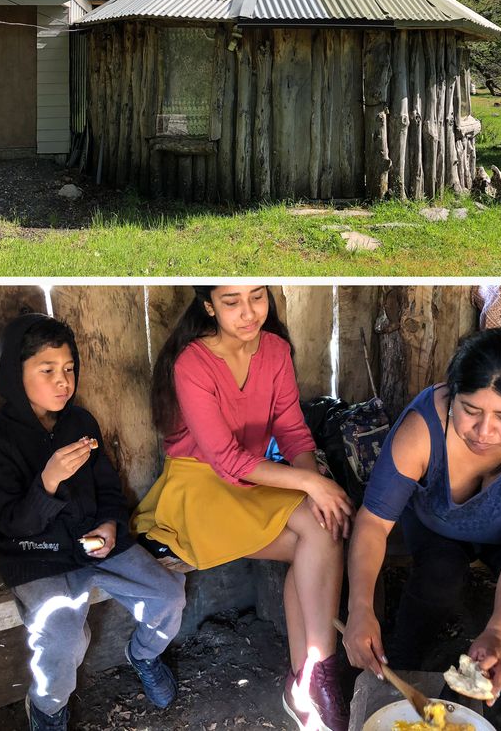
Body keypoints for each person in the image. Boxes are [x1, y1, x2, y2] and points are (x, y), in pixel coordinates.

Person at [132, 285, 355, 731]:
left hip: (254, 479)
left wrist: (314, 488)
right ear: (209, 306)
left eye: (257, 297)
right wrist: (312, 483)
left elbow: (293, 431)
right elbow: (225, 460)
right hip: (199, 486)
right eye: (231, 301)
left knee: (321, 529)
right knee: (316, 538)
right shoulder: (192, 363)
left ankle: (311, 676)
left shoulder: (275, 350)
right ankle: (316, 676)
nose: (248, 312)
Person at [343, 328, 501, 731]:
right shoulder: (422, 427)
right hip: (437, 526)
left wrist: (498, 633)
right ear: (451, 393)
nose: (484, 431)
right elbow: (372, 521)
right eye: (470, 410)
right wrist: (360, 609)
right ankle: (397, 681)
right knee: (437, 578)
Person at [0, 313, 186, 731]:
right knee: (63, 638)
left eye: (69, 369)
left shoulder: (80, 423)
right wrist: (48, 481)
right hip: (37, 554)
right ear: (16, 374)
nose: (62, 381)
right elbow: (14, 524)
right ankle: (48, 708)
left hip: (94, 543)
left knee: (167, 595)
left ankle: (143, 654)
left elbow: (107, 487)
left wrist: (109, 525)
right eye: (46, 370)